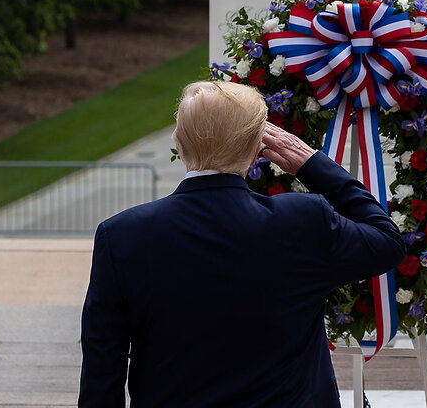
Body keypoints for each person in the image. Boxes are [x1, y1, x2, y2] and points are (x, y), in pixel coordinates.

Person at [78, 81, 405, 408]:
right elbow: (386, 241)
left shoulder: (122, 235)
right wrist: (311, 164)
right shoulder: (301, 221)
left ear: (178, 141)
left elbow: (103, 366)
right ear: (256, 149)